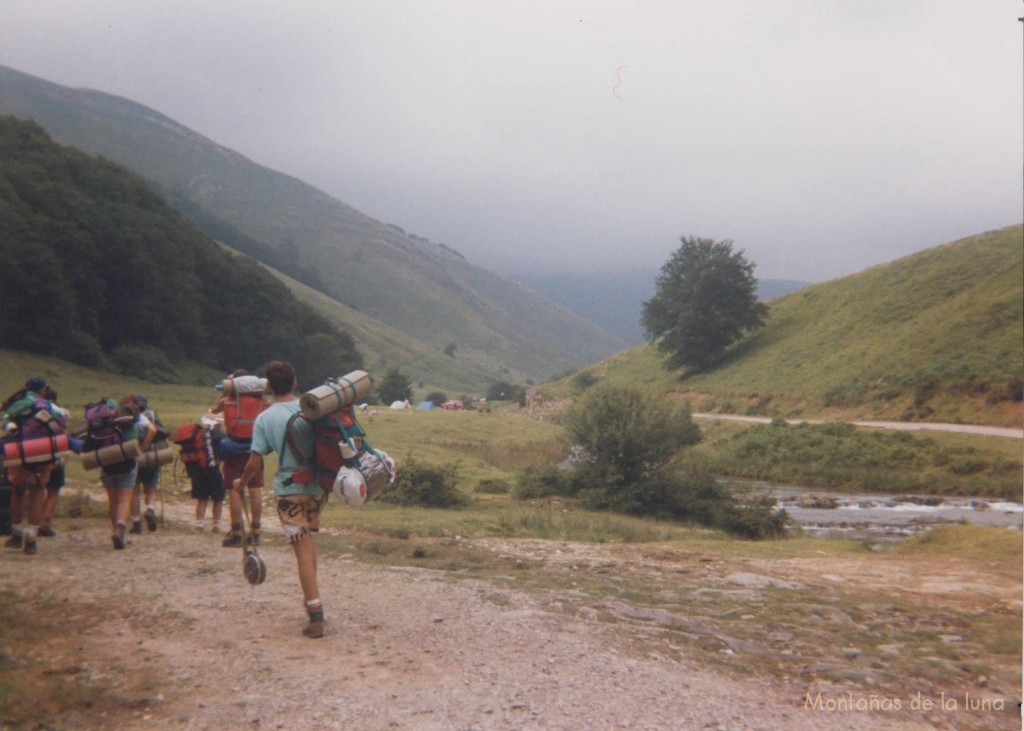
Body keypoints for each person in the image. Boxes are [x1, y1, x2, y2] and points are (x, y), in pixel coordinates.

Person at [232, 360, 326, 638]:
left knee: (301, 551)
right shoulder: (308, 409)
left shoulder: (264, 417)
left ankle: (315, 614)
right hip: (317, 489)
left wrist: (242, 484)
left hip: (289, 490)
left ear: (268, 386)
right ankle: (313, 598)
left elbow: (254, 462)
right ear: (295, 382)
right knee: (307, 544)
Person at [2, 377, 67, 554]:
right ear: (43, 390)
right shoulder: (49, 406)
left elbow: (5, 423)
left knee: (17, 491)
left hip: (18, 453)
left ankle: (16, 534)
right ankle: (31, 538)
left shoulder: (15, 403)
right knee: (38, 492)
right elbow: (62, 425)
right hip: (42, 453)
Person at [83, 395, 154, 550]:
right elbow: (146, 432)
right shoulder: (127, 422)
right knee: (124, 498)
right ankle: (120, 527)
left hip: (106, 464)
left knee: (113, 500)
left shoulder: (101, 425)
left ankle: (115, 528)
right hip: (127, 464)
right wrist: (141, 449)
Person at [211, 370, 266, 548]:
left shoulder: (228, 401)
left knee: (235, 489)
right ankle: (256, 532)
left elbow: (213, 410)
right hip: (255, 450)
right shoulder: (263, 402)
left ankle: (236, 532)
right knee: (255, 487)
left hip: (234, 450)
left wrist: (226, 391)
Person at [129, 395, 165, 534]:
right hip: (152, 456)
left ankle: (136, 522)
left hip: (133, 455)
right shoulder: (152, 415)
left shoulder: (130, 417)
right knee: (151, 487)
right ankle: (150, 509)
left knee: (134, 491)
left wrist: (141, 447)